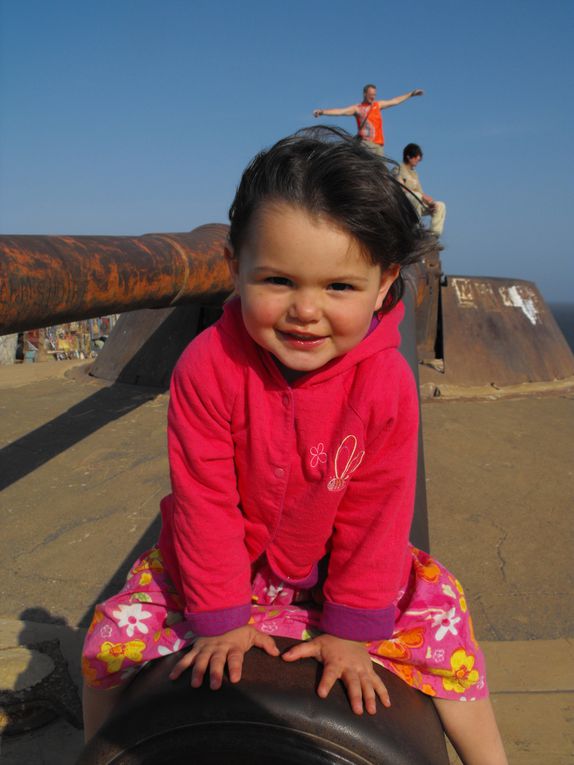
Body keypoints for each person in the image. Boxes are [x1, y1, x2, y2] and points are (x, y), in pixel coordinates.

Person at [82, 127, 507, 764]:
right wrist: (221, 619)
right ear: (236, 268)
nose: (305, 310)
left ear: (385, 282)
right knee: (110, 637)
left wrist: (351, 630)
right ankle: (99, 750)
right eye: (278, 280)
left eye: (339, 287)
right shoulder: (208, 367)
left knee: (446, 626)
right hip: (226, 567)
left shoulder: (384, 382)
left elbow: (377, 510)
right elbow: (206, 503)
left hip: (347, 571)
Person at [313, 83, 423, 155]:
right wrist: (323, 112)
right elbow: (340, 111)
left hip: (379, 146)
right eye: (370, 94)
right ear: (365, 94)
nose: (373, 97)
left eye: (374, 95)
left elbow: (395, 101)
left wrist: (411, 94)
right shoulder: (358, 109)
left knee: (383, 174)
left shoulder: (377, 105)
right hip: (366, 144)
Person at [394, 143, 446, 237]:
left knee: (440, 205)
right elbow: (401, 189)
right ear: (409, 157)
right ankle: (415, 229)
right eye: (416, 160)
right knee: (417, 196)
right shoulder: (398, 169)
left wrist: (430, 203)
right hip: (403, 203)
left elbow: (420, 192)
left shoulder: (415, 174)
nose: (417, 163)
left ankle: (434, 236)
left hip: (416, 202)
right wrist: (421, 196)